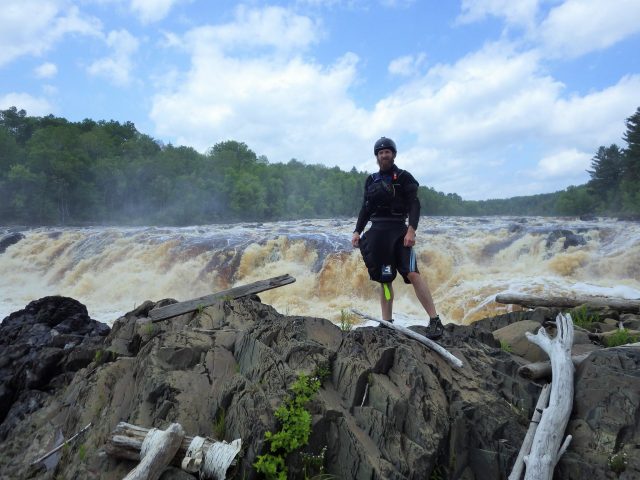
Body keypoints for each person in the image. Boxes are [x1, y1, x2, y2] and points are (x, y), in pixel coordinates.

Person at [352, 137, 444, 339]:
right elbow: (365, 209)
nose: (384, 155)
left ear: (394, 154)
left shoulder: (404, 177)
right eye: (380, 152)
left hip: (399, 232)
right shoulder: (371, 180)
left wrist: (411, 230)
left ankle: (435, 320)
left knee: (412, 273)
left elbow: (414, 205)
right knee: (385, 279)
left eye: (387, 151)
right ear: (376, 156)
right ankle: (387, 322)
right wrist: (357, 231)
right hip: (378, 233)